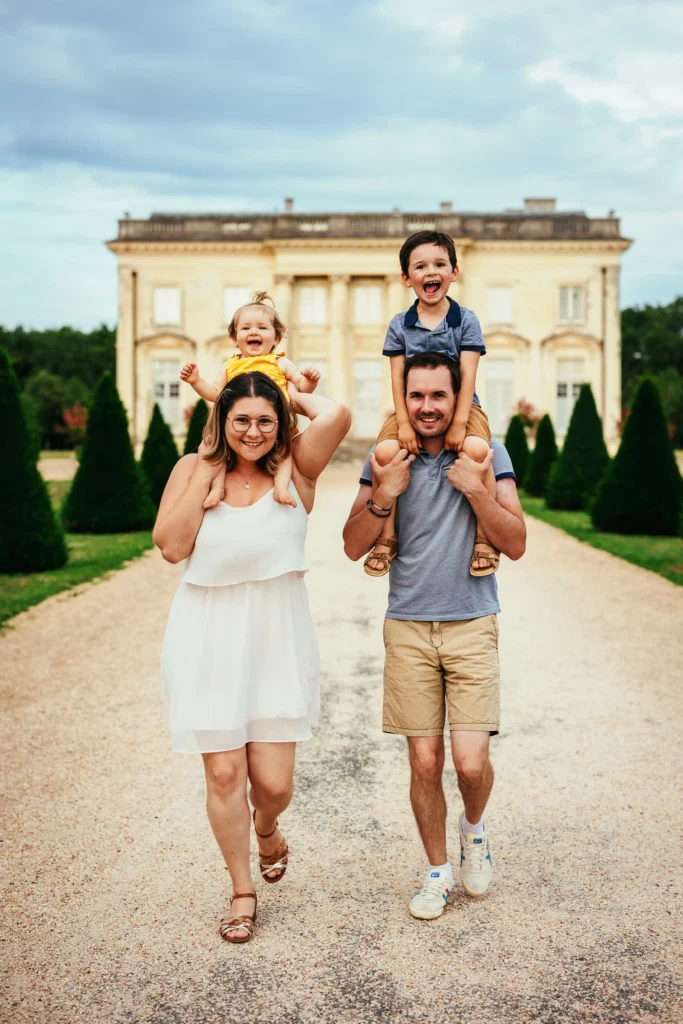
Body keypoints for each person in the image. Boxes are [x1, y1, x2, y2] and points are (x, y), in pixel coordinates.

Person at [154, 371, 350, 943]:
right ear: (222, 421)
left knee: (274, 785)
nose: (254, 431)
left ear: (282, 423)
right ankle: (242, 891)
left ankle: (268, 828)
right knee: (221, 773)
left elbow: (335, 414)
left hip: (275, 642)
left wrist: (278, 390)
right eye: (241, 418)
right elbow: (169, 546)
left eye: (266, 420)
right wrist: (208, 467)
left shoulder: (298, 469)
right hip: (206, 637)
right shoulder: (193, 471)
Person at [343, 351, 526, 921]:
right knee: (424, 761)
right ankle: (438, 872)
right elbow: (352, 545)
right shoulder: (388, 457)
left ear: (458, 399)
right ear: (405, 398)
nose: (426, 406)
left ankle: (475, 831)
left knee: (470, 764)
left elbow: (516, 542)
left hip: (472, 621)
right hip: (408, 626)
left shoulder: (487, 453)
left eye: (438, 396)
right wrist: (384, 494)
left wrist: (476, 490)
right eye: (416, 395)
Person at [364, 231, 497, 579]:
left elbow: (467, 375)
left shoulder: (466, 320)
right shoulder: (399, 325)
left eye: (439, 264)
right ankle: (387, 536)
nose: (430, 271)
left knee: (479, 450)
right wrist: (404, 425)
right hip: (410, 410)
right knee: (384, 454)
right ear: (407, 278)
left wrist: (459, 422)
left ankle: (484, 537)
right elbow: (397, 379)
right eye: (420, 266)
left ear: (454, 272)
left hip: (464, 408)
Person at [180, 291, 321, 509]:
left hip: (274, 423)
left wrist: (310, 380)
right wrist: (196, 381)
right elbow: (216, 393)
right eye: (245, 328)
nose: (253, 331)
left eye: (262, 328)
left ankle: (281, 487)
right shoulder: (231, 366)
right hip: (235, 423)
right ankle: (217, 486)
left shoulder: (280, 363)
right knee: (212, 449)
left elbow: (301, 388)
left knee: (284, 453)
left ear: (276, 338)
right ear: (235, 338)